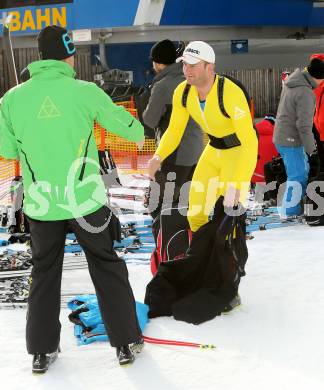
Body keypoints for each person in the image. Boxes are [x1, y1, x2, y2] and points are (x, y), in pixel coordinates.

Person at [0, 25, 145, 371]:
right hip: (85, 202)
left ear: (38, 56)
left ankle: (41, 350)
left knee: (44, 273)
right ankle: (126, 342)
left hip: (42, 203)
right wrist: (141, 130)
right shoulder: (85, 91)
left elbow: (7, 148)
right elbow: (128, 128)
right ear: (68, 55)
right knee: (107, 266)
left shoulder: (11, 99)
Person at [148, 41, 258, 233]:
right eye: (184, 64)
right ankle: (200, 257)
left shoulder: (230, 92)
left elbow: (249, 143)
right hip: (213, 151)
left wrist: (238, 183)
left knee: (229, 213)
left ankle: (229, 259)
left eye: (193, 65)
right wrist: (158, 156)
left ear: (210, 66)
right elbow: (174, 130)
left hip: (237, 152)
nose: (187, 70)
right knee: (195, 213)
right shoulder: (182, 92)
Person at [142, 39, 204, 220]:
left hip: (173, 153)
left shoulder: (163, 86)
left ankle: (168, 246)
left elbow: (150, 120)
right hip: (196, 150)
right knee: (188, 203)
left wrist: (144, 102)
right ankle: (188, 243)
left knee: (160, 206)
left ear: (158, 63)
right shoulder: (190, 79)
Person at [273, 57, 324, 217]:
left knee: (299, 172)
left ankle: (292, 208)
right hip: (291, 139)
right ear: (318, 77)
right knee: (298, 175)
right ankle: (291, 213)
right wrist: (312, 151)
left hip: (283, 136)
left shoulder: (293, 82)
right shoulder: (305, 93)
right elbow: (304, 126)